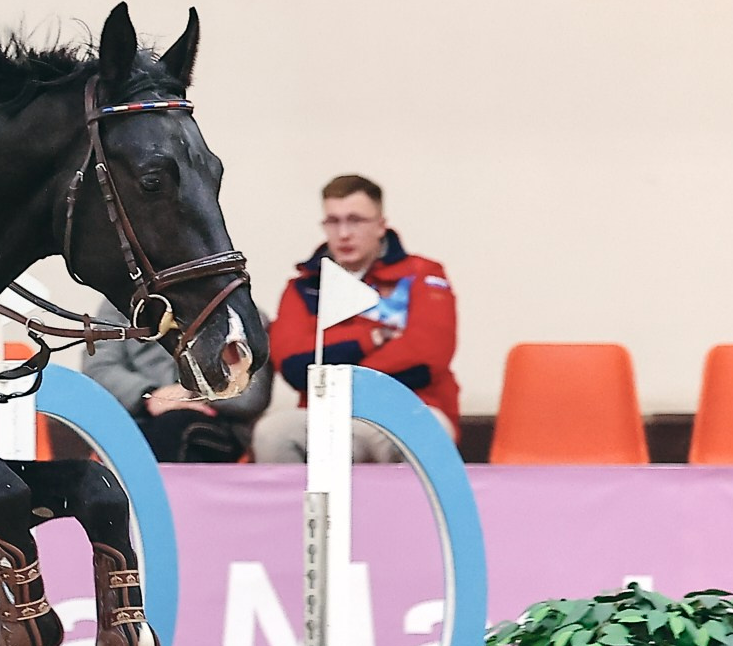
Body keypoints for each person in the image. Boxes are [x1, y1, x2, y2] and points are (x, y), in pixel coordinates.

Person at [253, 174, 460, 463]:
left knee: (431, 430)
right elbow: (293, 365)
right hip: (328, 414)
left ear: (380, 225)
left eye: (356, 220)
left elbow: (427, 358)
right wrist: (371, 338)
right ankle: (296, 510)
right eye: (333, 221)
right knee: (272, 433)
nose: (344, 233)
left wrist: (336, 368)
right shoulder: (303, 286)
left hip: (408, 408)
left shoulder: (423, 275)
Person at [81, 292, 272, 461]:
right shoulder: (121, 305)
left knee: (173, 428)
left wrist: (190, 394)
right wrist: (150, 394)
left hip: (218, 425)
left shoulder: (239, 314)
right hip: (138, 415)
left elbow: (252, 397)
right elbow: (98, 368)